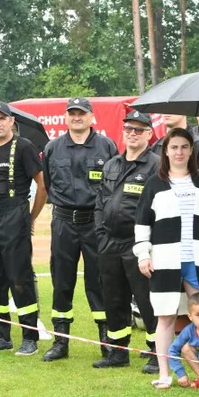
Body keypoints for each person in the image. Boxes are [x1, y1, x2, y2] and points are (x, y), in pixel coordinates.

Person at [134, 128, 199, 389]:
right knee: (165, 316)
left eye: (184, 147)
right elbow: (142, 223)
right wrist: (143, 254)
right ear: (165, 150)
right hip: (165, 259)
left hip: (197, 259)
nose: (179, 152)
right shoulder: (154, 183)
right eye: (174, 147)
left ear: (191, 150)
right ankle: (164, 372)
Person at [41, 97, 118, 362]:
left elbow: (114, 186)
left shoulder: (106, 146)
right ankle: (61, 342)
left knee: (99, 281)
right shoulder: (53, 148)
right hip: (63, 222)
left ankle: (107, 341)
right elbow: (47, 185)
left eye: (81, 113)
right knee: (62, 281)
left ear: (91, 117)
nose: (76, 117)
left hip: (95, 223)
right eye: (72, 113)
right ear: (66, 117)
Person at [0, 102, 48, 356]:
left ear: (11, 121)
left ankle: (30, 337)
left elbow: (42, 186)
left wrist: (30, 218)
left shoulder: (24, 147)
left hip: (15, 214)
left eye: (1, 118)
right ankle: (1, 335)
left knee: (20, 277)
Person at [94, 110, 162, 372]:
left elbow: (160, 207)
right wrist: (99, 233)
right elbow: (100, 201)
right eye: (128, 130)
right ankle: (118, 351)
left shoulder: (156, 165)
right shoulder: (111, 164)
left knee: (146, 299)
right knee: (113, 297)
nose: (132, 134)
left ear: (148, 134)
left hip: (139, 243)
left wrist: (149, 243)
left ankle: (157, 352)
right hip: (109, 242)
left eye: (138, 130)